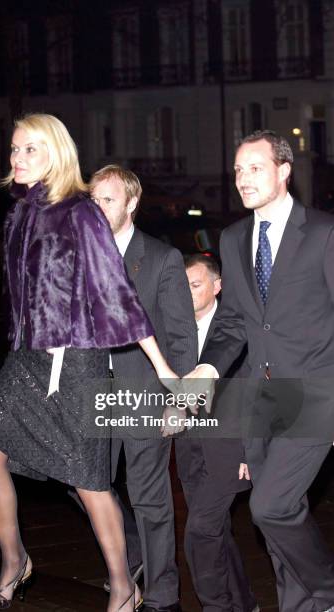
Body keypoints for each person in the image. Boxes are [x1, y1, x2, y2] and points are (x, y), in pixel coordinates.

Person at [0, 114, 178, 612]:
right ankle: (14, 558)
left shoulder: (81, 212)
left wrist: (164, 370)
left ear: (57, 153)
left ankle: (123, 586)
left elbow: (116, 294)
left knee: (89, 483)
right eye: (15, 149)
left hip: (77, 360)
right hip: (26, 359)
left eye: (30, 150)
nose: (17, 158)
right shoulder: (19, 211)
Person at [185, 130, 334, 612]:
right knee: (275, 526)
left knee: (270, 506)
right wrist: (210, 365)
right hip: (263, 401)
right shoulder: (232, 238)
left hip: (315, 392)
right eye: (237, 170)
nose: (242, 179)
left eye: (254, 168)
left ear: (284, 170)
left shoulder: (324, 233)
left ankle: (328, 591)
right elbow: (235, 320)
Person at [90, 165, 197, 612]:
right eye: (93, 200)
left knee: (150, 497)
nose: (98, 208)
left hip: (145, 394)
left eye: (108, 200)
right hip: (91, 392)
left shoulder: (161, 258)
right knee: (81, 480)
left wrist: (181, 403)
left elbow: (181, 338)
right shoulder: (83, 256)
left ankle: (161, 595)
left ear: (131, 203)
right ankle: (133, 552)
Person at [175, 253, 258, 612]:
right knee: (218, 531)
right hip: (188, 446)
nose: (187, 292)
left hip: (228, 448)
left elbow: (255, 393)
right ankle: (244, 604)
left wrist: (247, 451)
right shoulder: (175, 329)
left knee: (200, 531)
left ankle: (216, 606)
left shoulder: (237, 330)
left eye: (195, 285)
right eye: (183, 286)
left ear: (217, 286)